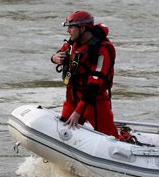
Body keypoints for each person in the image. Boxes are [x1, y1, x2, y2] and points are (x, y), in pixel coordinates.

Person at [51, 10, 120, 139]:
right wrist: (54, 57)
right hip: (72, 98)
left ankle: (127, 139)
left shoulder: (101, 50)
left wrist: (78, 111)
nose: (68, 31)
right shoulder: (72, 43)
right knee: (61, 135)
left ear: (83, 28)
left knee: (111, 138)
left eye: (71, 27)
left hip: (94, 102)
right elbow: (59, 53)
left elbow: (94, 85)